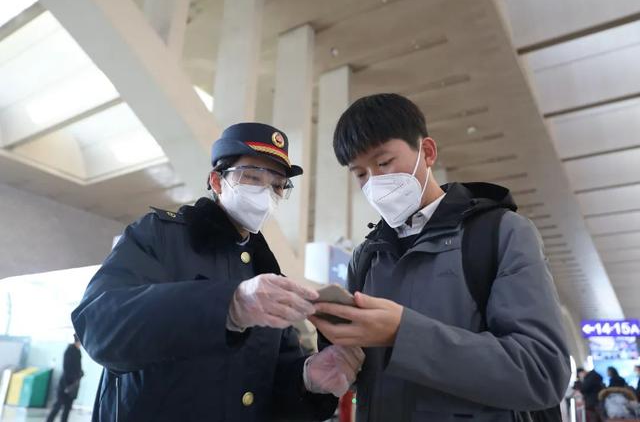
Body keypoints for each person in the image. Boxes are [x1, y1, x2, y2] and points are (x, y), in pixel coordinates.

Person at [72, 123, 364, 422]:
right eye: (251, 177)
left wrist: (307, 379)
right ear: (217, 180)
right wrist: (228, 304)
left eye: (277, 185)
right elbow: (98, 325)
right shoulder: (160, 236)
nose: (265, 193)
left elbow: (265, 389)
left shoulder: (265, 270)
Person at [310, 93, 571, 421]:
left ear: (428, 152)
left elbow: (541, 371)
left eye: (384, 162)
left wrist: (403, 333)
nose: (375, 182)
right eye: (360, 173)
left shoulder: (500, 234)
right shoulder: (365, 257)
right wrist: (337, 355)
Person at [46, 335, 83, 422]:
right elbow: (66, 368)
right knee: (58, 405)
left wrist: (80, 373)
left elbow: (78, 367)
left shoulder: (78, 352)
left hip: (73, 384)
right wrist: (67, 385)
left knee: (67, 408)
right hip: (65, 383)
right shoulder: (69, 351)